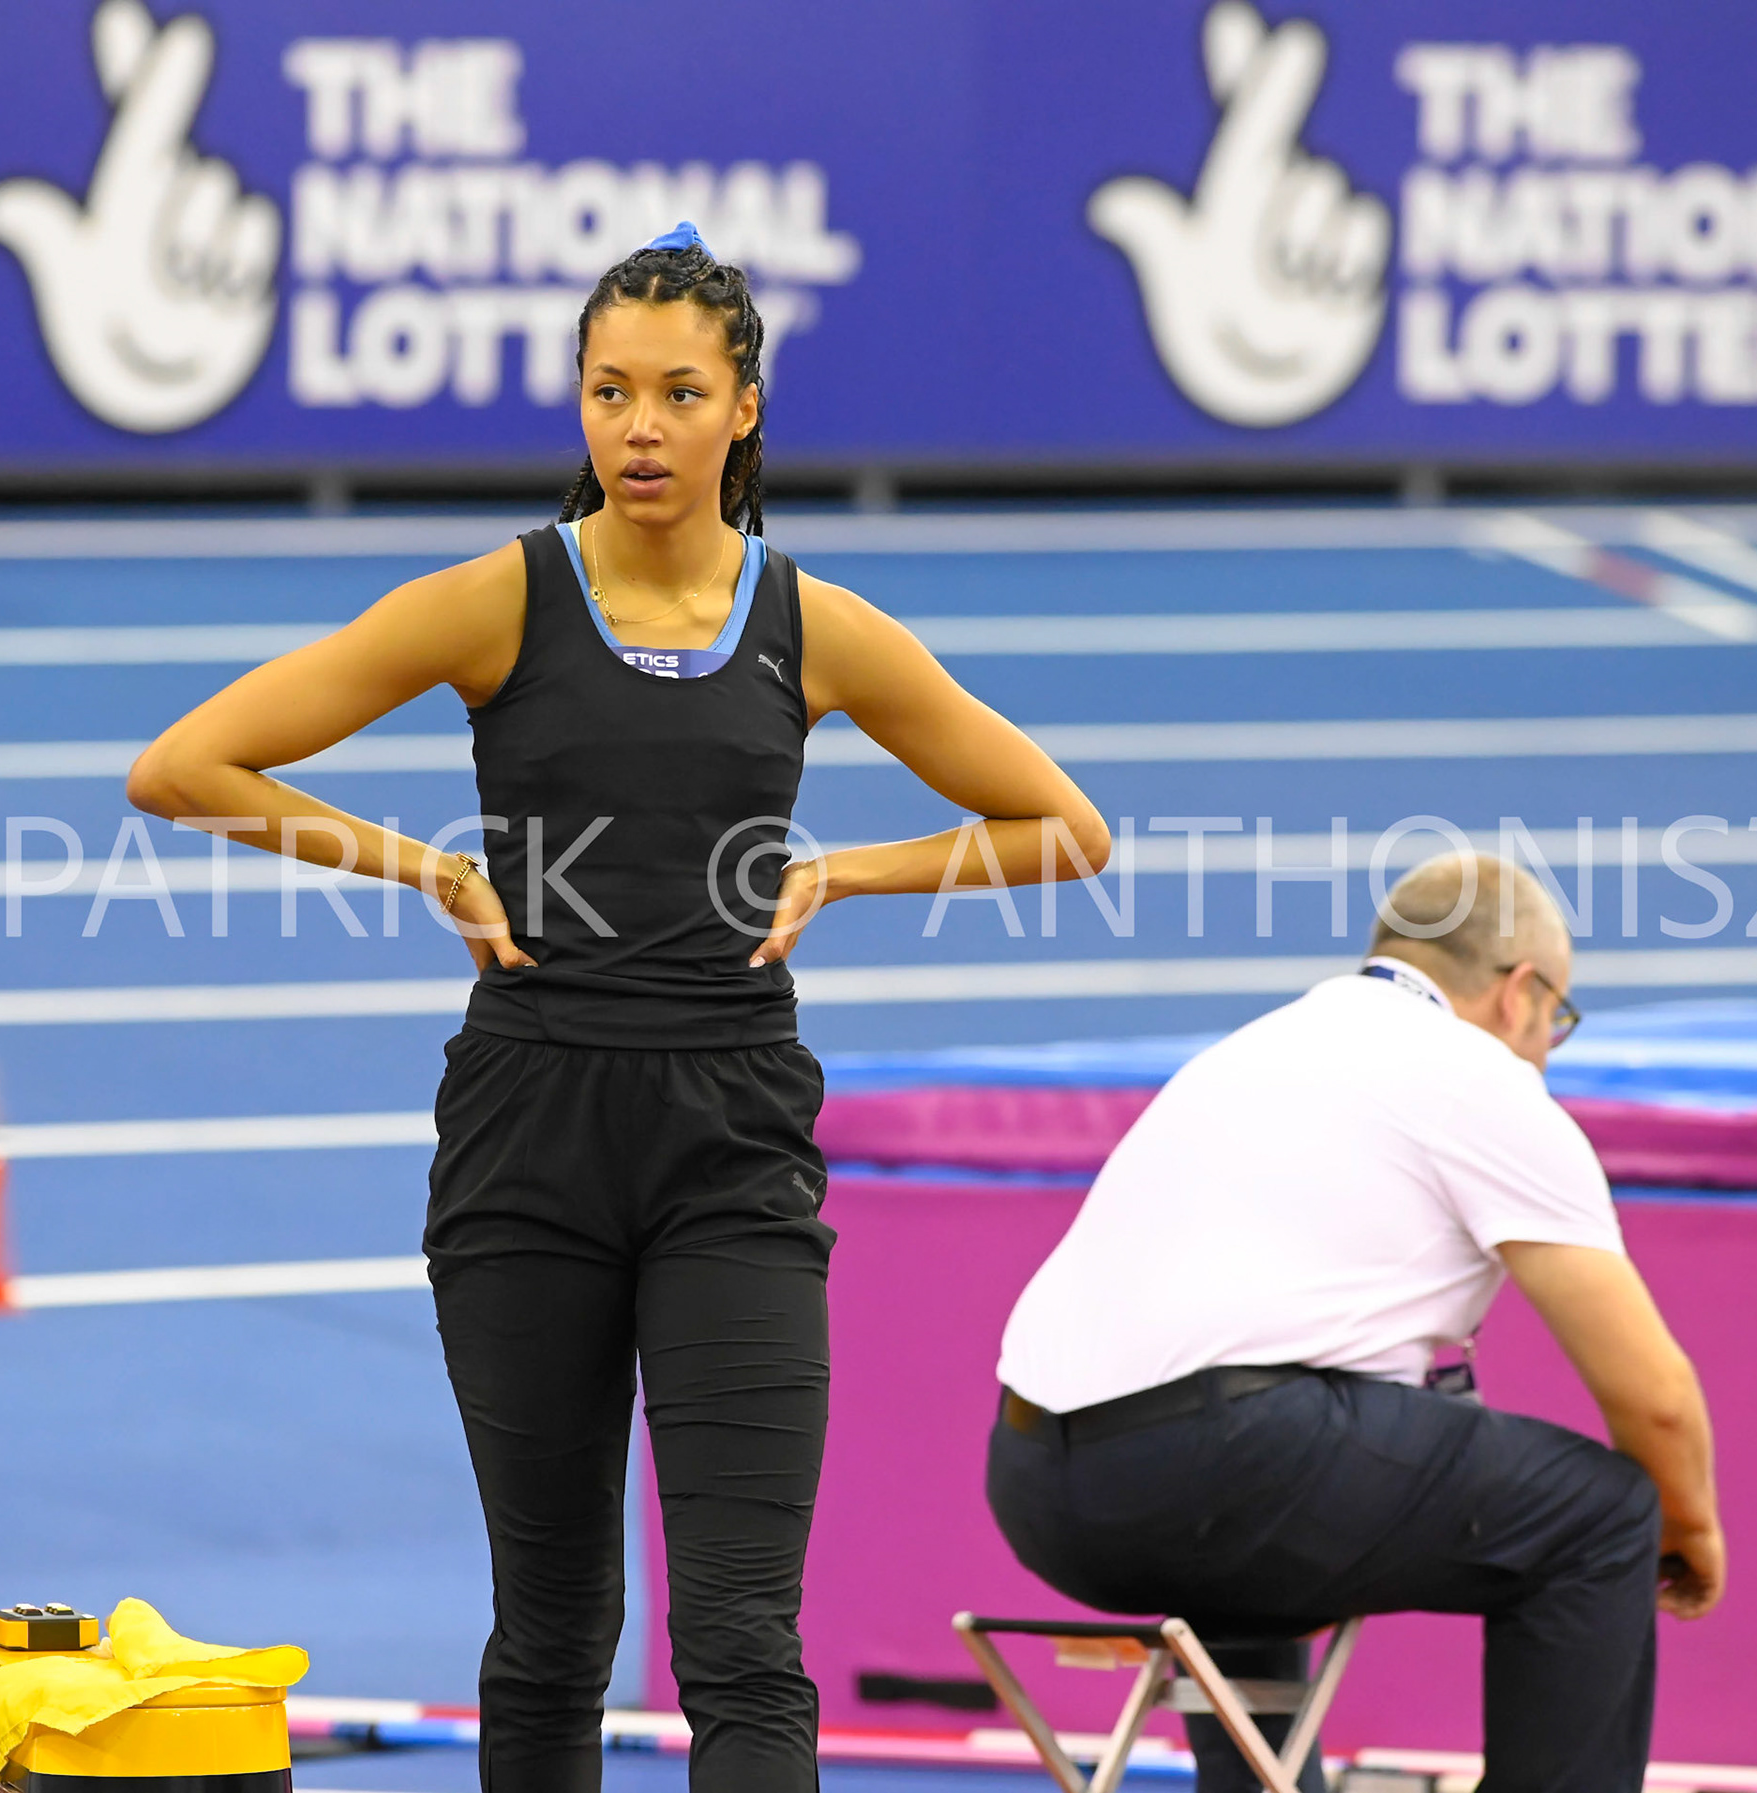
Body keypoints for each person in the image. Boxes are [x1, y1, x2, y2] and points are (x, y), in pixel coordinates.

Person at [127, 222, 1109, 1793]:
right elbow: (183, 766)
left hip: (733, 1146)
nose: (638, 428)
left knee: (738, 1637)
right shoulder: (497, 602)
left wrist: (850, 872)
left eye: (675, 393)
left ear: (744, 412)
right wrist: (422, 870)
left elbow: (1066, 827)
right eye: (607, 393)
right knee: (553, 1629)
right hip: (530, 1142)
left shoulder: (814, 626)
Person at [987, 853, 1722, 1793]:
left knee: (1254, 1498)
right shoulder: (1482, 1079)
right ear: (1522, 993)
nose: (1547, 1045)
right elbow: (1655, 1400)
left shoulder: (1249, 1050)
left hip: (1037, 1492)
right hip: (1221, 1470)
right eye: (1558, 1020)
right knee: (1606, 1513)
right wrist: (1686, 1527)